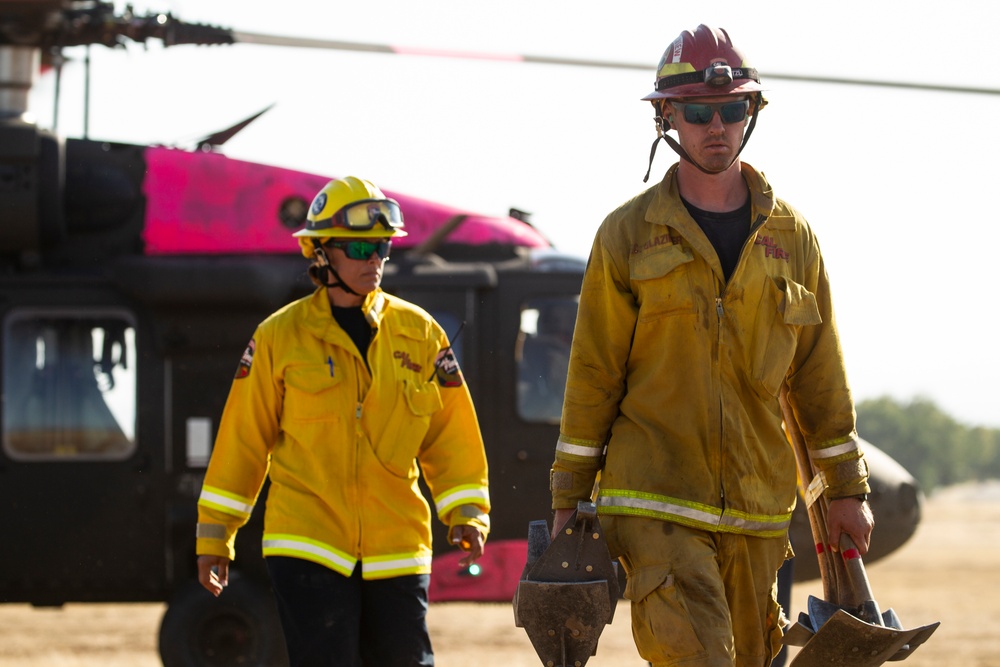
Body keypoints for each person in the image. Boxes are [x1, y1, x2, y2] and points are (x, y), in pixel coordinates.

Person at [548, 25, 874, 667]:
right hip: (655, 499)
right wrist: (568, 500)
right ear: (667, 117)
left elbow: (818, 377)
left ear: (752, 113)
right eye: (698, 112)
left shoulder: (794, 239)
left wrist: (846, 489)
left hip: (757, 510)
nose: (716, 125)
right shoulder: (627, 236)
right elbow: (593, 374)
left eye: (732, 110)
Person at [195, 176, 491, 666]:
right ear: (320, 253)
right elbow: (244, 442)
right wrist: (215, 536)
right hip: (306, 544)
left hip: (397, 545)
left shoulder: (419, 334)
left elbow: (451, 437)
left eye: (381, 247)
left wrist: (466, 512)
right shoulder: (277, 338)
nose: (374, 259)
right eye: (359, 247)